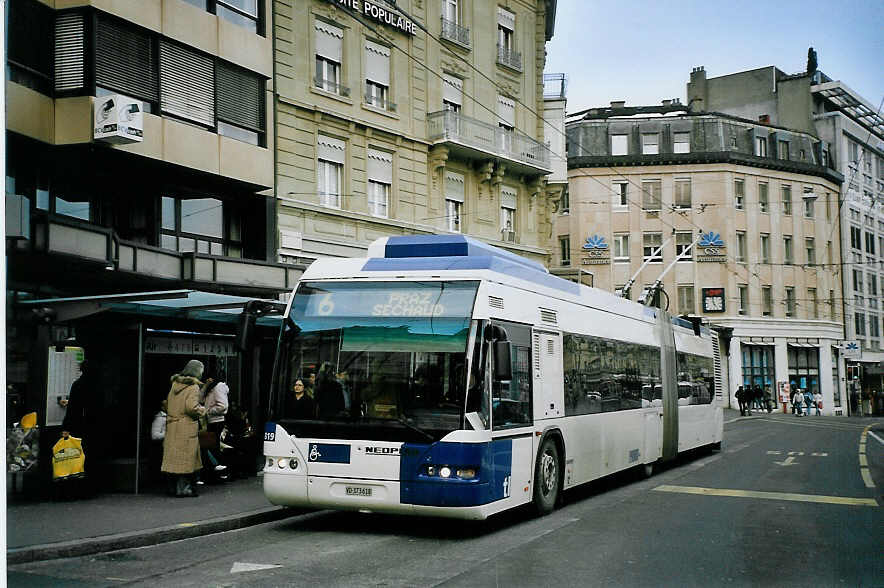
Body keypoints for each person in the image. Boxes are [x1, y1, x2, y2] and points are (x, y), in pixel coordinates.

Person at [161, 359, 207, 497]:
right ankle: (184, 489)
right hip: (186, 427)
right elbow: (191, 407)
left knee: (174, 460)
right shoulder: (193, 387)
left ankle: (172, 488)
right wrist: (202, 410)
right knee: (186, 461)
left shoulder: (175, 385)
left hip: (172, 426)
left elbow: (167, 405)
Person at [200, 372, 230, 483]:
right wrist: (205, 386)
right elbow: (200, 399)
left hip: (216, 421)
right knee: (212, 447)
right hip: (210, 421)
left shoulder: (218, 387)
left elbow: (223, 406)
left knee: (213, 447)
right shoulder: (211, 388)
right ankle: (217, 474)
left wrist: (208, 412)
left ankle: (220, 474)